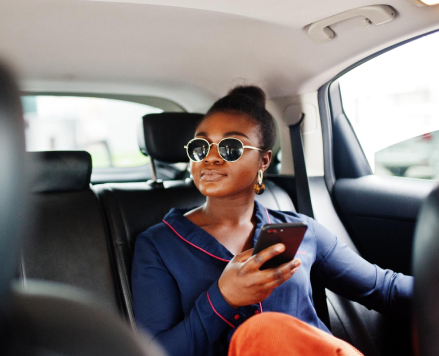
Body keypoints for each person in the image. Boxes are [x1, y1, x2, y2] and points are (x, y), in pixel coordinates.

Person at [131, 86, 413, 356]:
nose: (211, 158)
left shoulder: (301, 230)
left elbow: (385, 289)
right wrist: (224, 297)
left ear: (264, 161)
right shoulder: (158, 244)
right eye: (200, 147)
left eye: (230, 147)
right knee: (262, 330)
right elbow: (155, 351)